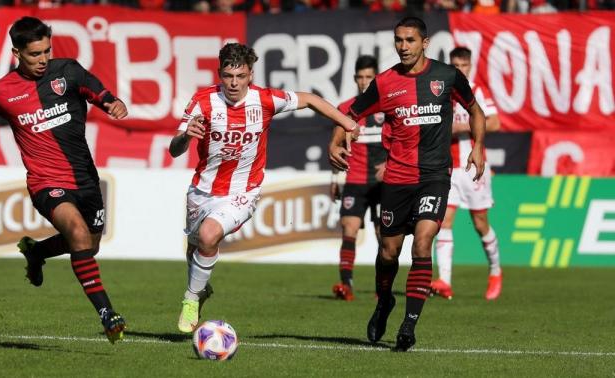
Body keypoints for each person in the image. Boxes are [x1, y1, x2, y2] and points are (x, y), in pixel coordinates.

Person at [0, 16, 127, 344]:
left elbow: (99, 92)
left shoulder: (68, 72)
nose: (44, 59)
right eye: (35, 54)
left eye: (47, 50)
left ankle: (36, 253)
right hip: (46, 183)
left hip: (86, 180)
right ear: (16, 53)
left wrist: (112, 103)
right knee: (76, 233)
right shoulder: (2, 90)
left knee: (89, 245)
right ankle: (107, 313)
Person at [169, 42, 360, 333]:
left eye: (241, 76)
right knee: (195, 248)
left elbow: (309, 99)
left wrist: (347, 123)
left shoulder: (267, 100)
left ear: (250, 75)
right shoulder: (202, 101)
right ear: (219, 73)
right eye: (228, 76)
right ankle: (199, 289)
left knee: (209, 236)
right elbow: (174, 149)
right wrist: (185, 138)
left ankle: (191, 298)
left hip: (243, 191)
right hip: (202, 190)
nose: (234, 83)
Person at [329, 16, 486, 352]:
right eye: (398, 40)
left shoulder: (446, 77)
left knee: (423, 244)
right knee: (389, 253)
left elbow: (475, 111)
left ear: (425, 42)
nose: (403, 46)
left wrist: (478, 147)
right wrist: (336, 140)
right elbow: (351, 114)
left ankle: (408, 327)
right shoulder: (385, 83)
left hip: (434, 177)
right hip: (397, 180)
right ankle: (384, 301)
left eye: (410, 40)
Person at [430, 47, 502, 301]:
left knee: (481, 224)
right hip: (450, 167)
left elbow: (494, 122)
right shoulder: (442, 90)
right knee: (445, 222)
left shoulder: (478, 90)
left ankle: (495, 271)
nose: (460, 69)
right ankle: (444, 281)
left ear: (470, 65)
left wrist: (463, 126)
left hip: (474, 166)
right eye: (455, 65)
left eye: (464, 65)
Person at [330, 55, 387, 301]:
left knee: (383, 235)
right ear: (355, 79)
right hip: (354, 179)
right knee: (349, 228)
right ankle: (346, 285)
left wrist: (390, 163)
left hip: (384, 181)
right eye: (360, 77)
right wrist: (335, 176)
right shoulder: (346, 109)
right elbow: (336, 145)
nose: (364, 82)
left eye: (369, 77)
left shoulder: (387, 107)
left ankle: (382, 287)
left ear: (376, 79)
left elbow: (402, 141)